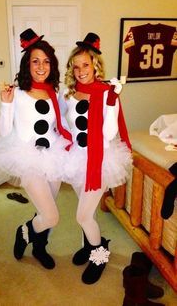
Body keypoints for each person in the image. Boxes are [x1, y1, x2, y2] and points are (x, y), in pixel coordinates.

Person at [0, 28, 72, 270]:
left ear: (52, 65)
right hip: (27, 158)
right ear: (27, 63)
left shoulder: (54, 91)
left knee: (46, 210)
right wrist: (5, 105)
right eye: (35, 60)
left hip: (53, 156)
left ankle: (39, 247)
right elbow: (5, 131)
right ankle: (24, 231)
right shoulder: (16, 93)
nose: (41, 66)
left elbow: (61, 123)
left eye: (46, 61)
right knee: (51, 216)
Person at [60, 32, 132, 284]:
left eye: (86, 65)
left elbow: (110, 132)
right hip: (78, 159)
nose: (81, 71)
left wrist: (112, 101)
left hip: (99, 161)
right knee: (86, 211)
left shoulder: (105, 92)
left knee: (82, 215)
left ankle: (100, 257)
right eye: (76, 66)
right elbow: (67, 127)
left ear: (95, 66)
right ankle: (89, 247)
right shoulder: (69, 94)